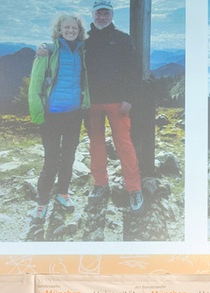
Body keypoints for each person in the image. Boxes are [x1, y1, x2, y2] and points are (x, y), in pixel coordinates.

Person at [27, 13, 86, 240]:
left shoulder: (82, 51)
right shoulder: (48, 51)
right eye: (66, 28)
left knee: (69, 157)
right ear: (59, 30)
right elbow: (35, 84)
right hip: (52, 115)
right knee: (51, 159)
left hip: (74, 114)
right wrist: (38, 114)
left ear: (79, 30)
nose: (70, 31)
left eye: (74, 28)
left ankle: (62, 193)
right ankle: (42, 203)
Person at [81, 0, 143, 211]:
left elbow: (134, 70)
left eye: (106, 13)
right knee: (96, 144)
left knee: (124, 144)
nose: (102, 17)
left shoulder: (123, 40)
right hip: (92, 103)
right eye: (98, 13)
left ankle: (134, 188)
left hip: (118, 102)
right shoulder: (85, 42)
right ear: (92, 15)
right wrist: (44, 48)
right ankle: (100, 184)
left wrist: (129, 97)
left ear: (112, 15)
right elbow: (64, 49)